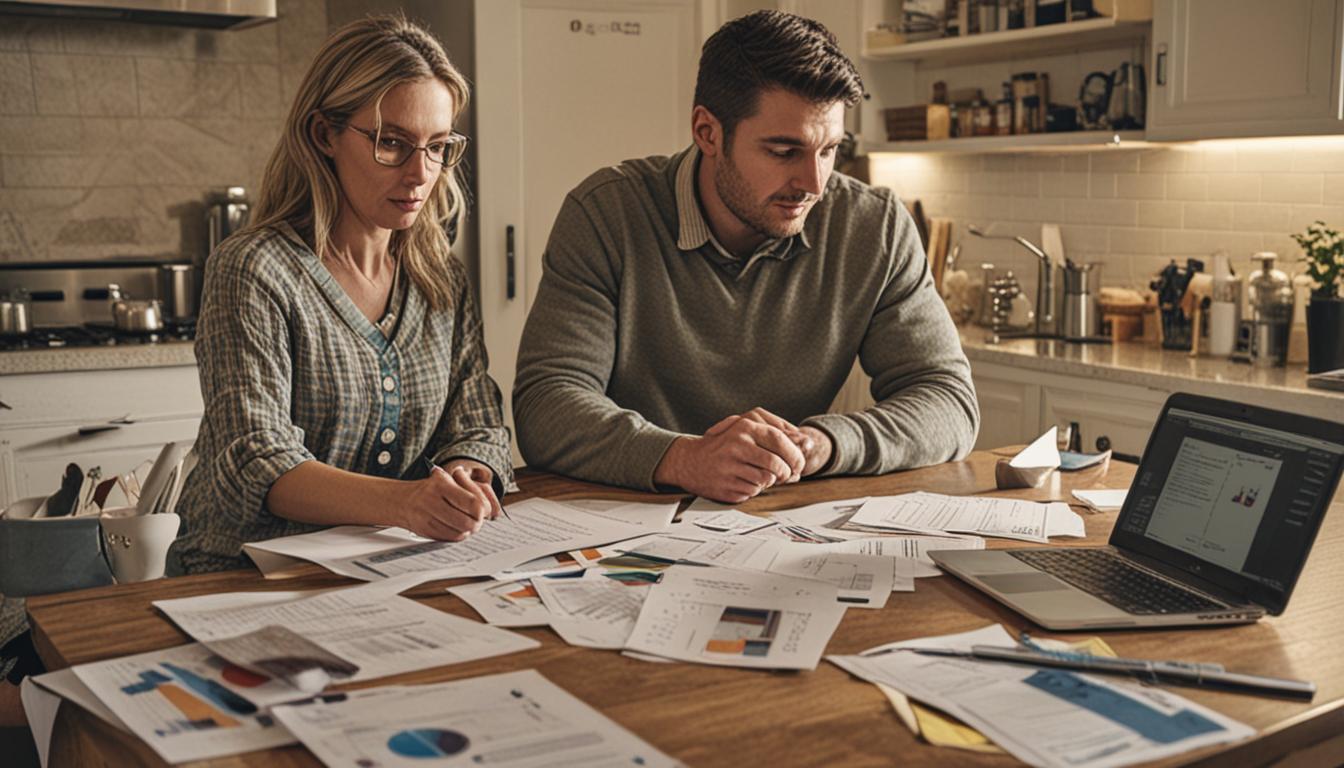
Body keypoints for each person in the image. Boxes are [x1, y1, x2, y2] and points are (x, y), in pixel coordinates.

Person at [513, 10, 978, 503]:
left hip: (782, 518)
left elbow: (948, 401)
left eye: (829, 151)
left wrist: (820, 445)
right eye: (784, 151)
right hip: (625, 523)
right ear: (707, 132)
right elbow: (547, 405)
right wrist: (685, 458)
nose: (814, 185)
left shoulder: (874, 224)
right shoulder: (606, 213)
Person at [167, 13, 513, 577]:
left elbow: (475, 422)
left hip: (388, 564)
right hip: (240, 570)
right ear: (323, 134)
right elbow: (258, 458)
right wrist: (404, 503)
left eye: (437, 146)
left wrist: (466, 478)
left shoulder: (440, 278)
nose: (420, 175)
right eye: (391, 143)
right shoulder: (254, 268)